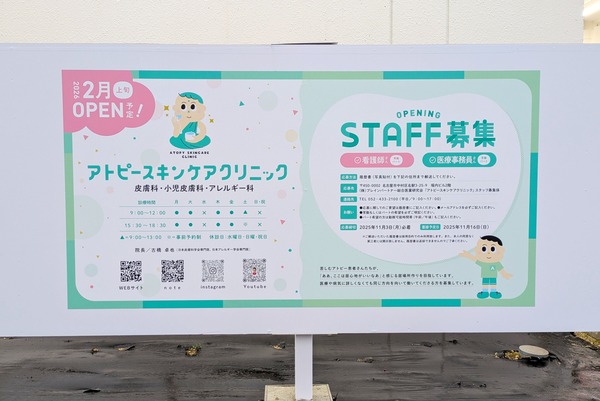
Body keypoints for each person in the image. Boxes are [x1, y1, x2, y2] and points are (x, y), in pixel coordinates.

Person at [459, 235, 512, 299]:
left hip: (493, 276)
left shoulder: (496, 263)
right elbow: (475, 260)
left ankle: (493, 292)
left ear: (501, 251)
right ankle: (485, 292)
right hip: (485, 276)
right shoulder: (483, 263)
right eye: (484, 249)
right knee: (485, 283)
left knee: (493, 284)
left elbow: (501, 269)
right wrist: (468, 255)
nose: (488, 253)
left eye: (492, 249)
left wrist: (505, 274)